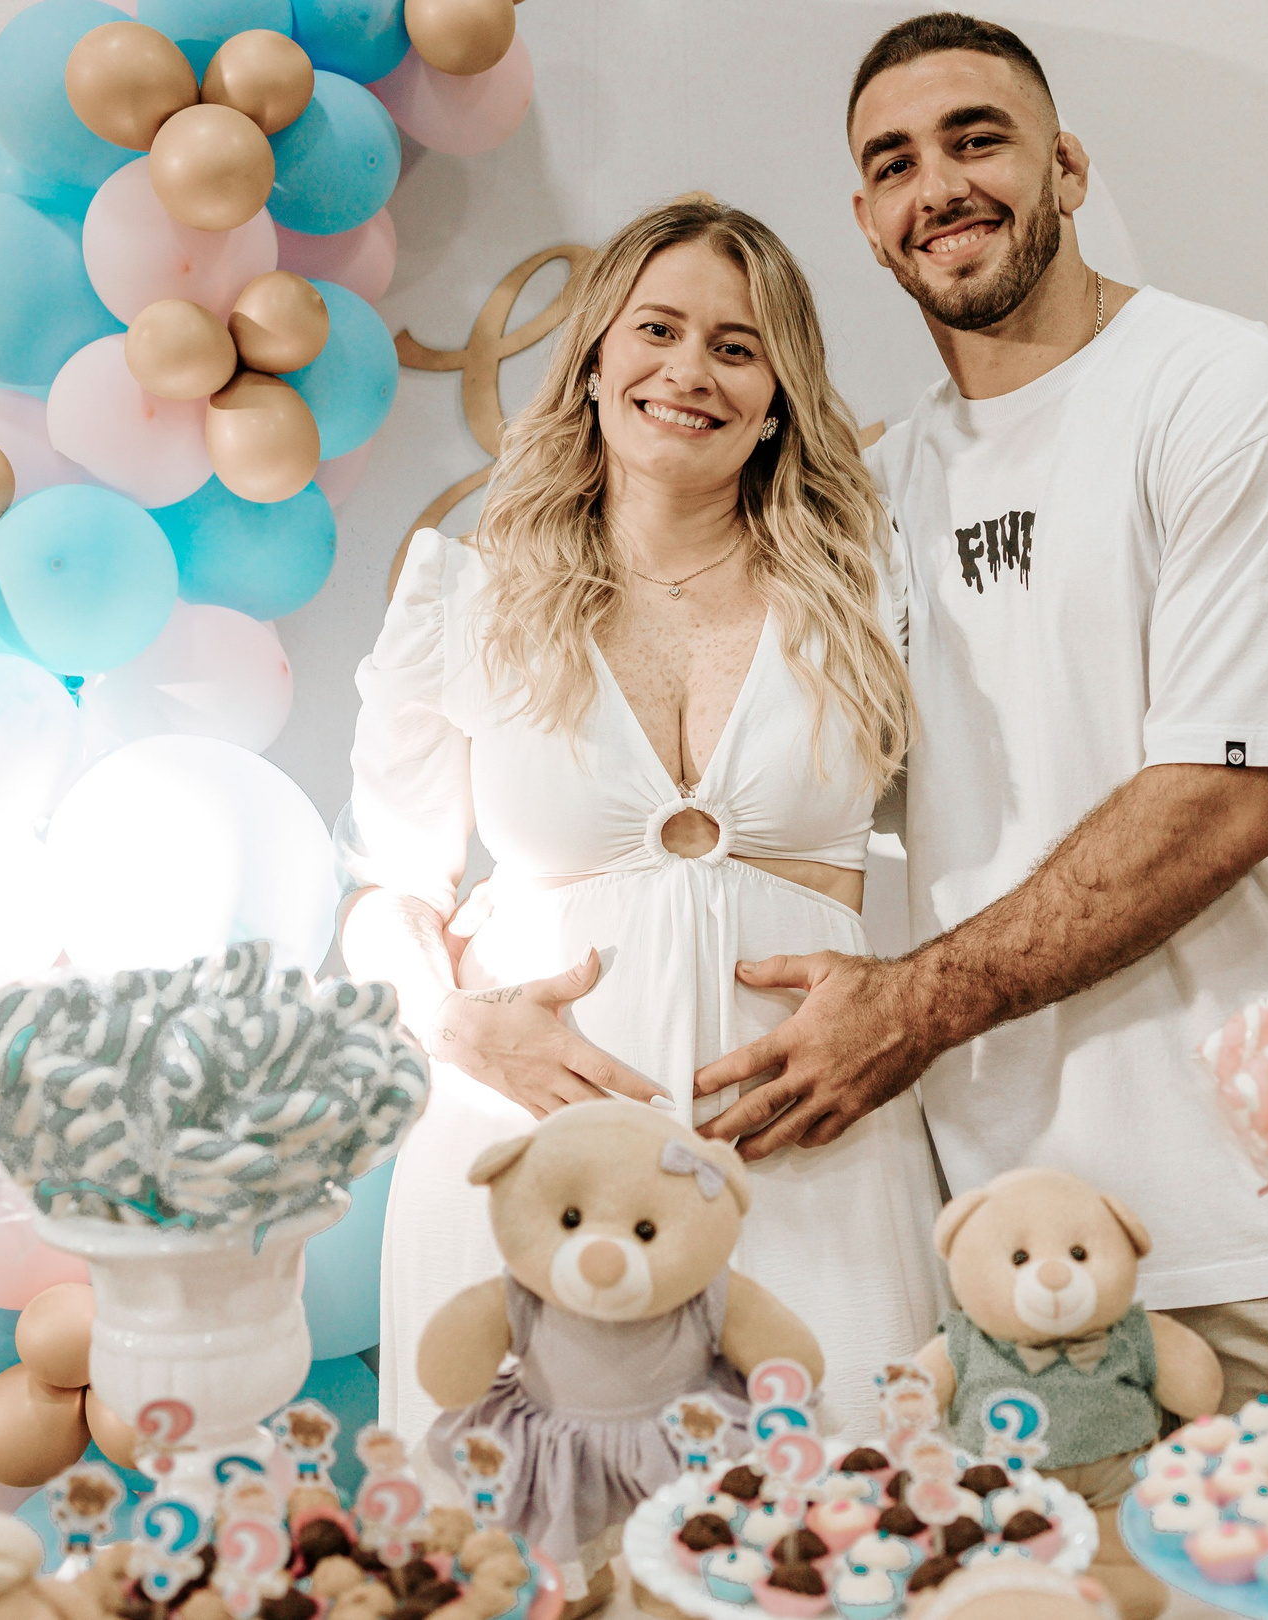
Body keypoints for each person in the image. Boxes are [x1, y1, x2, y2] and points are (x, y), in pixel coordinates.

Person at [694, 14, 1268, 1416]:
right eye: (894, 163)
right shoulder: (880, 485)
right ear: (869, 224)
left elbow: (1227, 801)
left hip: (1259, 1221)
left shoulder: (1226, 392)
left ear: (1067, 167)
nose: (937, 184)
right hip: (999, 1244)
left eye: (977, 139)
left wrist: (906, 1011)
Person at [339, 197, 946, 1442]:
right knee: (529, 1547)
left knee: (842, 1521)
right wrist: (458, 1023)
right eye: (656, 329)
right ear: (597, 358)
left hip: (809, 1144)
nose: (689, 372)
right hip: (532, 1159)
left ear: (780, 392)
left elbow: (982, 836)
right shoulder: (466, 591)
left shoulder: (876, 590)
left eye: (736, 345)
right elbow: (387, 889)